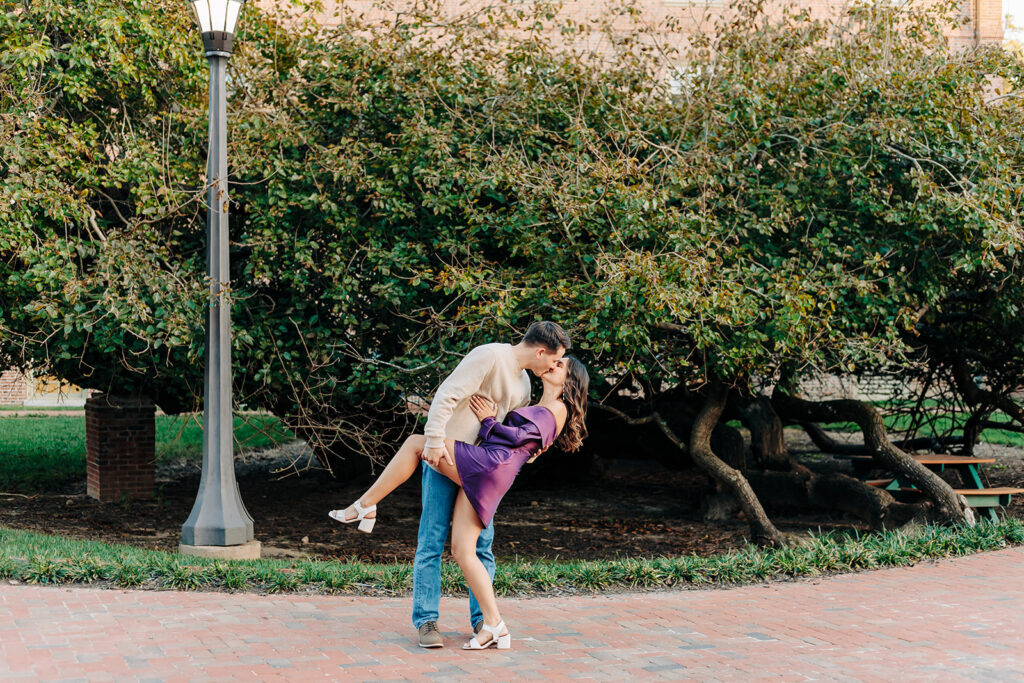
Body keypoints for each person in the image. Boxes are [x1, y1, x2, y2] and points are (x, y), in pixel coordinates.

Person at [333, 321, 570, 648]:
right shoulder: (489, 356)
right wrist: (432, 441)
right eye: (556, 358)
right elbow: (448, 394)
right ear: (541, 351)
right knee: (431, 540)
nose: (555, 365)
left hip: (481, 470)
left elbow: (514, 440)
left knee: (480, 546)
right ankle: (427, 621)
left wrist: (530, 450)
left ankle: (482, 621)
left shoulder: (525, 385)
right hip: (445, 457)